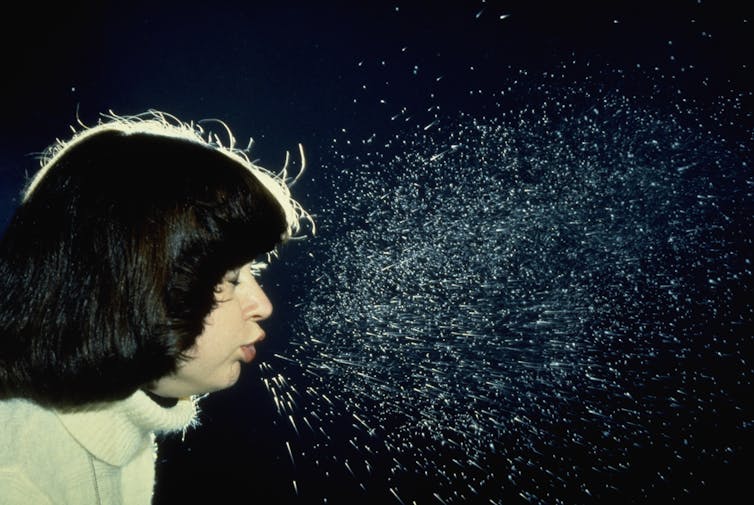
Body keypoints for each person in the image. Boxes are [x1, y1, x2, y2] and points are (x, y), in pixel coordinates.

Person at [0, 110, 311, 504]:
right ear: (135, 288)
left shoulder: (118, 429)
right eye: (231, 278)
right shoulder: (15, 479)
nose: (262, 305)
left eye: (254, 271)